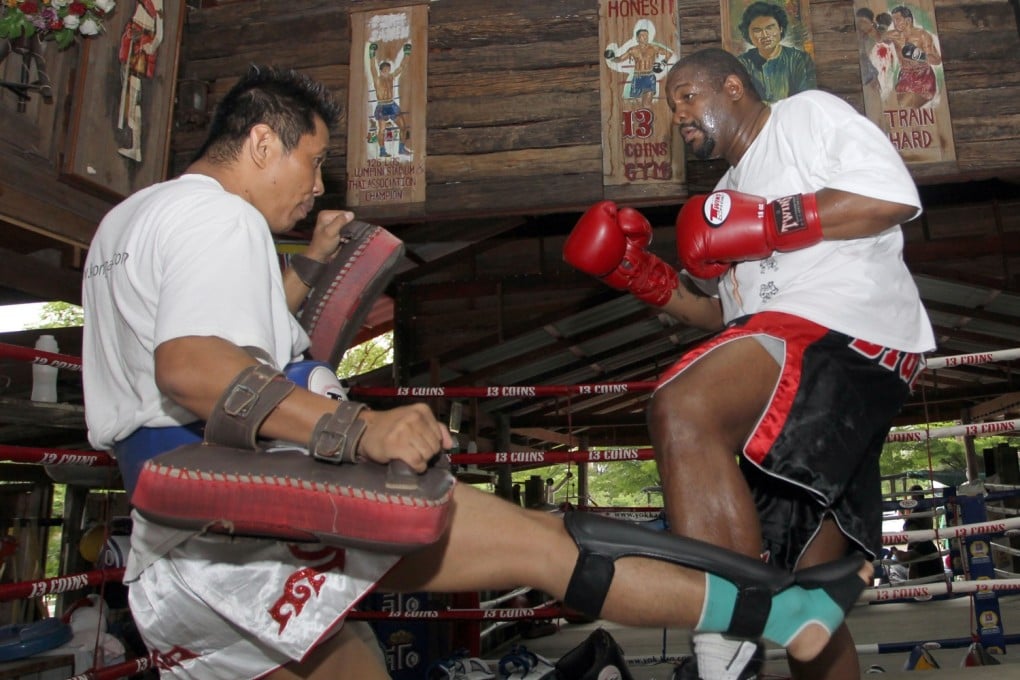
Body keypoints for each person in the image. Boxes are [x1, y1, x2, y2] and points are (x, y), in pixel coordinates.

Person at [81, 64, 871, 679]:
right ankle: (781, 613)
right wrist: (358, 427)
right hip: (263, 507)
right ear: (260, 143)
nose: (318, 186)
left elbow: (232, 340)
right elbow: (192, 368)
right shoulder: (218, 216)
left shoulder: (130, 220)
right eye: (313, 161)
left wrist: (312, 274)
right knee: (547, 545)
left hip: (180, 551)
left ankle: (780, 612)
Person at [563, 47, 933, 680]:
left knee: (684, 402)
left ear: (732, 87)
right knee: (808, 586)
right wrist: (643, 278)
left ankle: (725, 626)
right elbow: (725, 319)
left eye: (686, 96)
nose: (676, 112)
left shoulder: (803, 118)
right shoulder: (725, 195)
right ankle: (782, 614)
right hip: (793, 351)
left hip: (848, 334)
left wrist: (770, 224)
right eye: (670, 103)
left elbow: (890, 196)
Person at [735, 1, 816, 103]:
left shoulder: (799, 60)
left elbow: (806, 98)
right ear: (748, 34)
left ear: (780, 28)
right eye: (757, 30)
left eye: (770, 27)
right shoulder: (743, 63)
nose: (765, 35)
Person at [117, 0, 164, 161]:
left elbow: (160, 31)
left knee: (134, 96)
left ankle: (136, 146)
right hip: (134, 38)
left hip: (142, 43)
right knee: (128, 91)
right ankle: (134, 145)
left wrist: (151, 46)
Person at [886, 5, 942, 108]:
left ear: (908, 20)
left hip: (923, 77)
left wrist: (918, 55)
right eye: (893, 20)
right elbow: (879, 38)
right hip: (905, 77)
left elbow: (937, 60)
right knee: (899, 106)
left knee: (906, 106)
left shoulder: (922, 35)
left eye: (897, 19)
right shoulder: (894, 34)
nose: (895, 23)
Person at [607, 26, 674, 108]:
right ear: (637, 38)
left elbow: (669, 53)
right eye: (642, 36)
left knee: (646, 104)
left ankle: (649, 119)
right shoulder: (633, 50)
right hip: (637, 78)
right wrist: (612, 58)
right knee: (639, 105)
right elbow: (620, 59)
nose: (645, 38)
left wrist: (663, 63)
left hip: (649, 77)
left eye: (646, 35)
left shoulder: (654, 47)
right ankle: (643, 119)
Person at [368, 41, 412, 157]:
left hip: (392, 105)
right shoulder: (377, 79)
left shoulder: (391, 77)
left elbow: (401, 67)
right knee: (381, 130)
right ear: (382, 71)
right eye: (385, 70)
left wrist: (406, 54)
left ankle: (401, 149)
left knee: (403, 126)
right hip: (382, 106)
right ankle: (382, 151)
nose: (387, 72)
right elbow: (372, 67)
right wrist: (371, 54)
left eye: (388, 69)